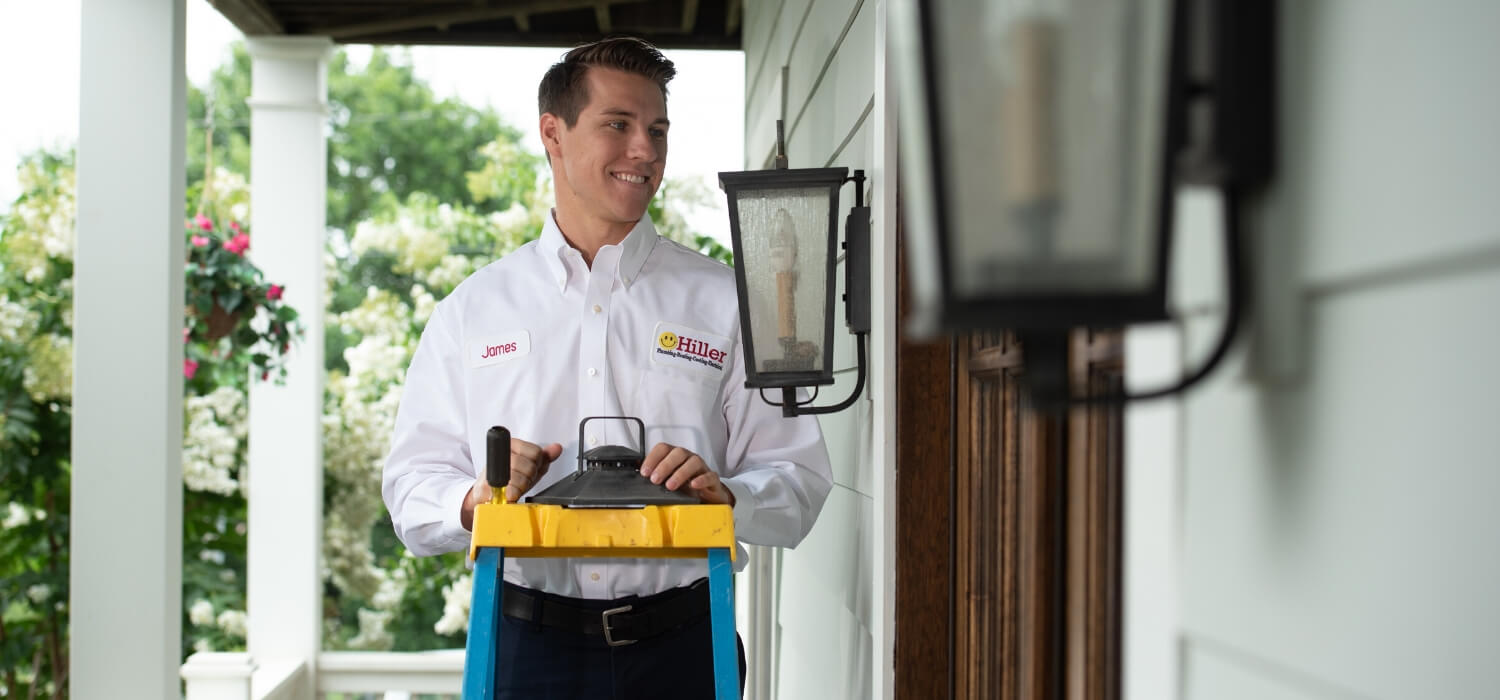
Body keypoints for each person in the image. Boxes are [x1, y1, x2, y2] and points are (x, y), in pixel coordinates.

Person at [382, 37, 833, 698]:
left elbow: (799, 478)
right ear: (552, 134)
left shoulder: (728, 303)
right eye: (617, 126)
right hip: (523, 653)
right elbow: (410, 485)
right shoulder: (471, 313)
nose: (645, 151)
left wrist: (727, 495)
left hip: (685, 650)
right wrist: (473, 500)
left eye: (657, 130)